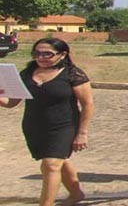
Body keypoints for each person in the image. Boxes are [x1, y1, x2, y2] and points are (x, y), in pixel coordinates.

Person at [0, 38, 94, 206]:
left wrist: (82, 133)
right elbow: (12, 103)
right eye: (36, 53)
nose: (41, 57)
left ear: (62, 54)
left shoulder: (73, 73)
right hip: (34, 125)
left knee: (50, 164)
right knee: (58, 160)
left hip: (64, 125)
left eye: (47, 54)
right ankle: (76, 193)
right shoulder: (26, 73)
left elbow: (88, 104)